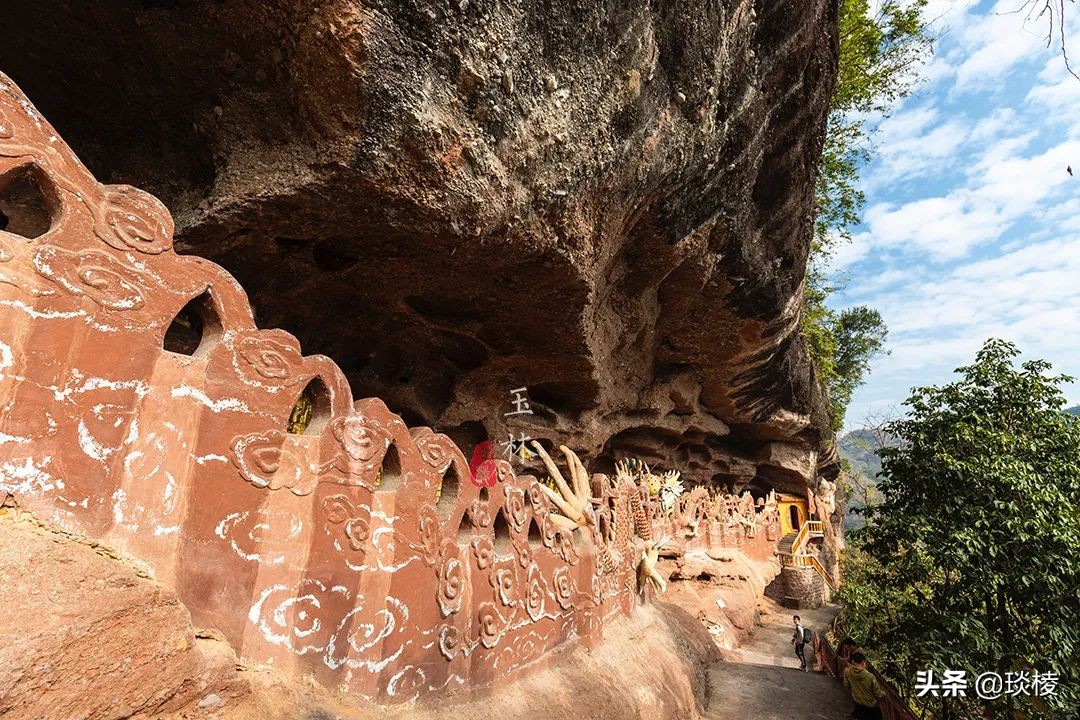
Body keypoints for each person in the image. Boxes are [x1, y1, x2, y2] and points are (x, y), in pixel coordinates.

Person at [842, 651, 885, 720]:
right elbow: (878, 694)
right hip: (871, 707)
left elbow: (846, 685)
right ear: (863, 662)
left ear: (853, 661)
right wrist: (883, 693)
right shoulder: (870, 677)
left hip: (857, 703)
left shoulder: (847, 671)